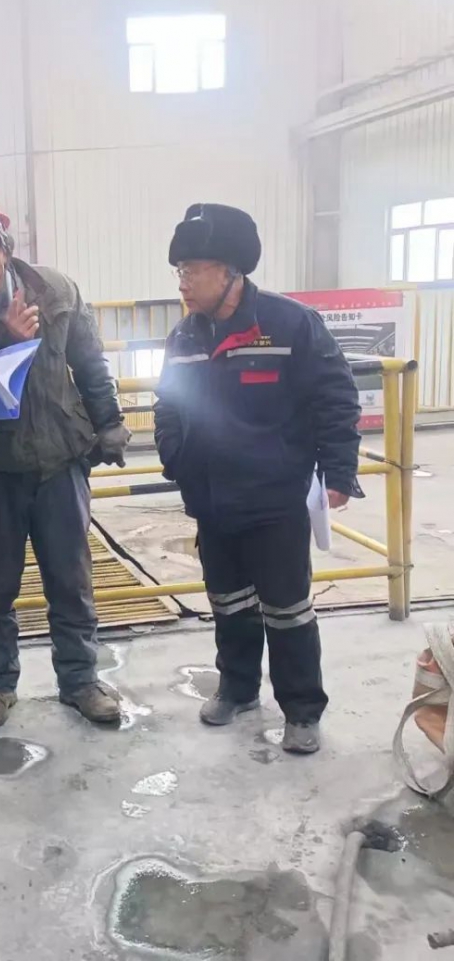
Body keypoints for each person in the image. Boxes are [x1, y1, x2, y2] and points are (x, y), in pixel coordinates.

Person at [154, 203, 363, 755]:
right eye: (179, 271)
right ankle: (238, 689)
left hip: (275, 500)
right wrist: (176, 458)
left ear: (229, 271)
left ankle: (302, 710)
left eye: (191, 270)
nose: (183, 282)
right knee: (228, 602)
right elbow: (168, 406)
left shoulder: (289, 324)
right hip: (211, 498)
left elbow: (335, 397)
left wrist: (339, 470)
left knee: (287, 608)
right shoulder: (184, 337)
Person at [0, 190, 131, 730]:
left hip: (59, 461)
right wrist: (6, 339)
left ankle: (80, 680)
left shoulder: (56, 290)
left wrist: (109, 420)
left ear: (3, 247)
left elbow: (88, 360)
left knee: (71, 580)